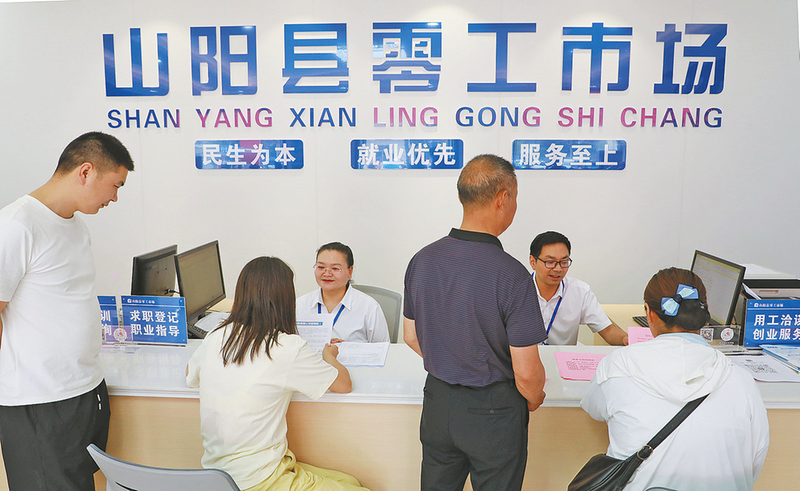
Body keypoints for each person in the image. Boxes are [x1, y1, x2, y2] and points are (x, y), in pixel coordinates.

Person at [403, 154, 548, 491]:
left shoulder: (421, 260)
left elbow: (410, 336)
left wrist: (451, 361)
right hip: (494, 410)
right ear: (504, 198)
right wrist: (534, 396)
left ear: (461, 196)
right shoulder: (512, 274)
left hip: (437, 401)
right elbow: (527, 374)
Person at [0, 131, 134, 491]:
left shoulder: (75, 226)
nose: (115, 197)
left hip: (84, 388)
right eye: (115, 185)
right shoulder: (16, 226)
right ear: (86, 171)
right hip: (39, 400)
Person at [187, 256, 370, 491]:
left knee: (350, 483)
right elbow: (343, 385)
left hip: (220, 475)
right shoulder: (286, 347)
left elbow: (190, 372)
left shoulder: (217, 335)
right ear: (285, 298)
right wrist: (329, 356)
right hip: (259, 480)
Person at [581, 268, 769, 490]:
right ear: (704, 310)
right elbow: (755, 460)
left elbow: (594, 408)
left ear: (649, 313)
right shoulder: (740, 380)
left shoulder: (617, 365)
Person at [529, 231, 628, 345]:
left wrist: (626, 339)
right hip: (523, 356)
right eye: (550, 262)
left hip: (564, 356)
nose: (558, 269)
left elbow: (608, 330)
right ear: (533, 262)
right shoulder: (516, 291)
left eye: (564, 262)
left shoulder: (580, 291)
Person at [296, 242, 390, 343]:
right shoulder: (299, 305)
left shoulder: (369, 307)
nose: (327, 273)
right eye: (321, 267)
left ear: (350, 271)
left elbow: (383, 348)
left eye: (335, 268)